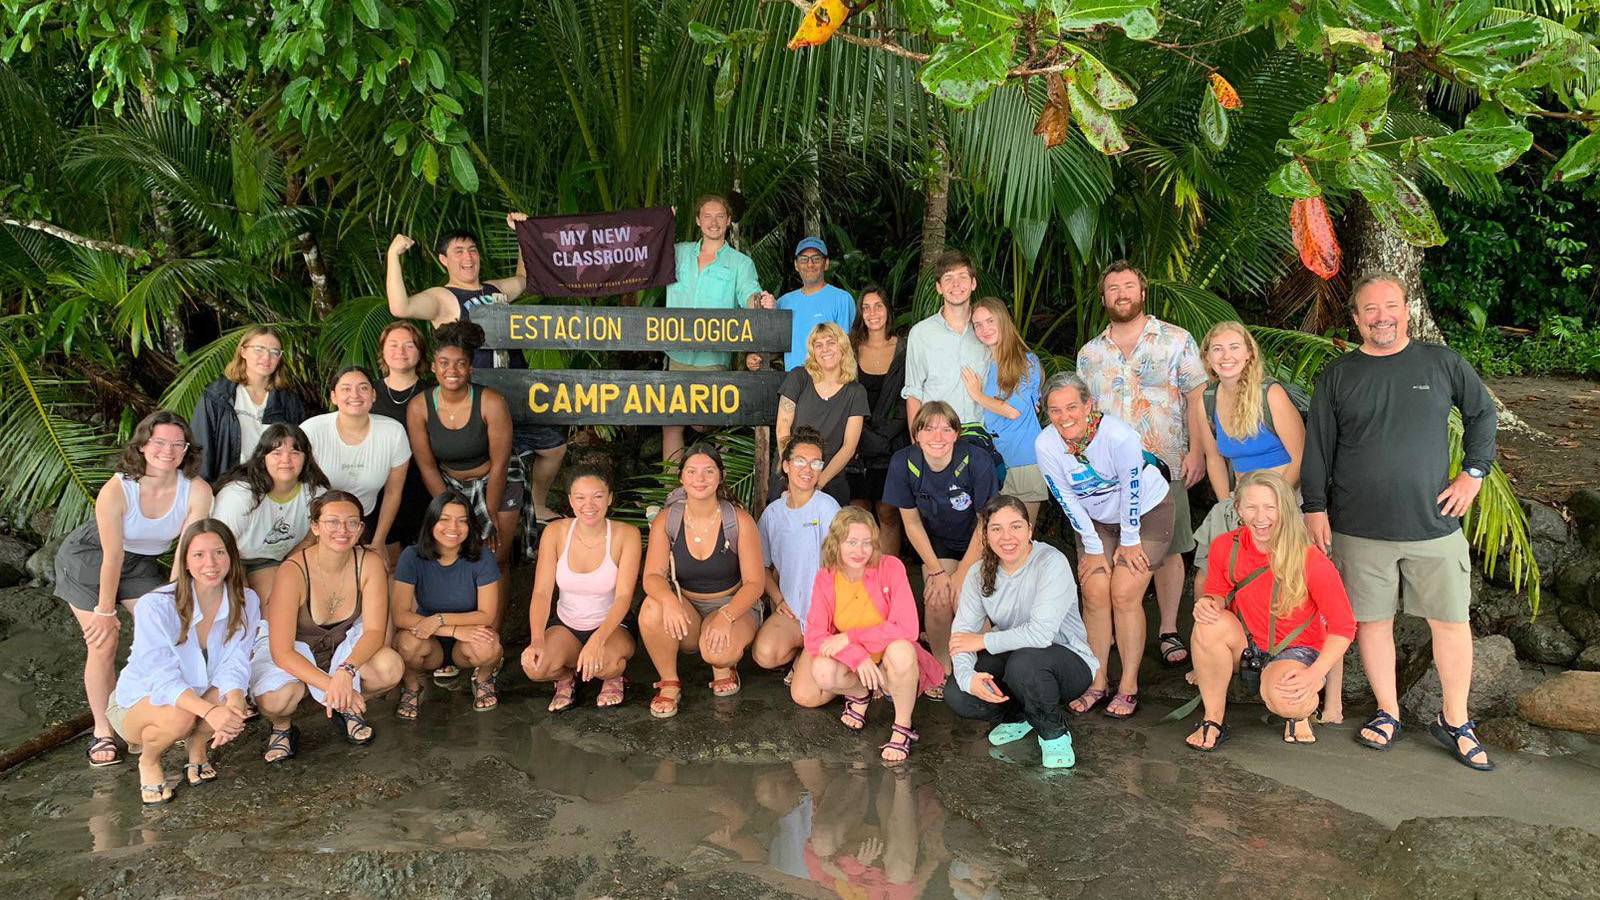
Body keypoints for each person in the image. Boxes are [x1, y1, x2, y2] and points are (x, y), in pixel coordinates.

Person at [1302, 273, 1499, 771]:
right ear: (1355, 318)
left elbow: (1482, 414)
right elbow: (1318, 446)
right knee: (1372, 622)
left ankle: (1455, 719)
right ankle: (1388, 711)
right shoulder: (1339, 374)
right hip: (1358, 527)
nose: (1381, 316)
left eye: (1390, 306)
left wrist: (1473, 473)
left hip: (1434, 524)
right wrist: (1314, 507)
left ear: (1406, 309)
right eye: (1370, 309)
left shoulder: (1441, 362)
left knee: (1451, 622)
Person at [54, 411, 214, 768]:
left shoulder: (197, 490)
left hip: (141, 565)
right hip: (89, 560)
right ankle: (102, 731)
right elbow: (112, 556)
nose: (168, 451)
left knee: (170, 630)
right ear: (143, 445)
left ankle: (156, 711)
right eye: (159, 442)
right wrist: (106, 612)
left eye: (177, 444)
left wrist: (177, 600)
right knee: (104, 641)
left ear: (186, 449)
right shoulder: (118, 488)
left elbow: (185, 552)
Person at [386, 217, 568, 524]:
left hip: (518, 388)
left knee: (554, 447)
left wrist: (522, 234)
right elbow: (400, 308)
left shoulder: (495, 288)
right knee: (498, 462)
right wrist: (393, 256)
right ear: (444, 259)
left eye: (472, 250)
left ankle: (536, 505)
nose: (468, 257)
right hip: (478, 399)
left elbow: (523, 279)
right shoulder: (442, 298)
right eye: (458, 251)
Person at [1075, 261, 1208, 669]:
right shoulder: (1091, 354)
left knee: (1169, 549)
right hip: (1108, 475)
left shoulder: (1175, 339)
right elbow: (1085, 415)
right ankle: (1110, 632)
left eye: (1128, 286)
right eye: (1113, 288)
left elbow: (1197, 398)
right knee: (1110, 549)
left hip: (1165, 466)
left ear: (1142, 292)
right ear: (1104, 299)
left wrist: (1197, 451)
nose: (1121, 293)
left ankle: (1168, 628)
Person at [1190, 321, 1321, 712]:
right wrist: (1226, 503)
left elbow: (1299, 454)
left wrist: (1270, 504)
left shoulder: (1271, 394)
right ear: (1207, 357)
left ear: (1249, 353)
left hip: (1282, 493)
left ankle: (1280, 652)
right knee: (1208, 565)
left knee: (1280, 571)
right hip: (1238, 498)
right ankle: (1209, 649)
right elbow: (1215, 457)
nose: (1226, 356)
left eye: (1234, 347)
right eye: (1218, 349)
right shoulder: (1206, 398)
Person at [1034, 372, 1174, 720]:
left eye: (1071, 407)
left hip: (1146, 510)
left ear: (1088, 405)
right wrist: (1094, 546)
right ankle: (1097, 681)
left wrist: (1128, 540)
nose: (1065, 417)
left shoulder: (1118, 435)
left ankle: (1128, 685)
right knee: (1095, 590)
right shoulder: (1046, 444)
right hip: (1094, 518)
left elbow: (1132, 487)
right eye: (1055, 410)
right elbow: (1064, 496)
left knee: (1124, 593)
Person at [1186, 471, 1356, 750]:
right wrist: (1208, 604)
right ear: (1238, 509)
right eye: (1251, 507)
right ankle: (1213, 718)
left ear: (1285, 510)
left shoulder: (1309, 558)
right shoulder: (1225, 546)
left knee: (1287, 700)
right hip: (1249, 643)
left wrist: (1315, 675)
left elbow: (1343, 627)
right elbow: (1216, 593)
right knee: (1207, 625)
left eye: (1270, 507)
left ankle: (1301, 711)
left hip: (1296, 647)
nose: (1260, 517)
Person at [108, 520, 258, 803]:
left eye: (219, 552)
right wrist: (211, 712)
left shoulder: (246, 599)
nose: (210, 563)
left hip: (199, 693)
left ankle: (197, 748)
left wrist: (236, 700)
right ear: (186, 562)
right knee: (182, 715)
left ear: (231, 557)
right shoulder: (156, 605)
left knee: (230, 703)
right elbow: (162, 681)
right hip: (140, 700)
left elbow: (237, 660)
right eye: (199, 555)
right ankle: (149, 761)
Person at [945, 496, 1098, 769]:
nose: (1007, 537)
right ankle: (1020, 717)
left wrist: (982, 640)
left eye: (1015, 527)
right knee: (958, 693)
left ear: (1029, 529)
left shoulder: (1051, 562)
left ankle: (1053, 733)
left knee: (1024, 663)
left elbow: (1040, 635)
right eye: (996, 529)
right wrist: (969, 679)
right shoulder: (979, 572)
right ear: (986, 535)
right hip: (1016, 658)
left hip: (1067, 664)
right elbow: (961, 637)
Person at [251, 491, 403, 759]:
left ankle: (346, 706)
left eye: (351, 522)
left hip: (342, 649)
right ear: (316, 527)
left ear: (360, 528)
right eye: (332, 522)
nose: (342, 530)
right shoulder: (292, 571)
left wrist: (346, 672)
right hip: (294, 653)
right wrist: (331, 684)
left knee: (390, 667)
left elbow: (375, 631)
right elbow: (282, 651)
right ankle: (282, 727)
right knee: (277, 699)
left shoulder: (369, 563)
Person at [797, 507, 943, 762]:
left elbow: (907, 628)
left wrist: (850, 637)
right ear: (837, 543)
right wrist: (857, 656)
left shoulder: (891, 567)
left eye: (866, 543)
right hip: (859, 660)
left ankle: (902, 727)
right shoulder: (826, 576)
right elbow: (814, 636)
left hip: (888, 655)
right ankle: (860, 692)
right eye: (851, 542)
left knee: (902, 649)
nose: (859, 551)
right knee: (821, 670)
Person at [638, 443, 765, 718]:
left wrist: (727, 615)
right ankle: (669, 681)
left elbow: (755, 583)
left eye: (709, 471)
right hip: (688, 608)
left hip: (733, 604)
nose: (700, 479)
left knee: (717, 652)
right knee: (652, 607)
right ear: (681, 477)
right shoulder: (667, 520)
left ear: (721, 476)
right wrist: (669, 600)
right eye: (692, 471)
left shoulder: (738, 520)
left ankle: (723, 666)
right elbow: (651, 576)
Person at [882, 401, 997, 683]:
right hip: (938, 543)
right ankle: (942, 669)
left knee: (967, 598)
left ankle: (985, 670)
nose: (938, 437)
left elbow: (986, 523)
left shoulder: (976, 460)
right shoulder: (904, 462)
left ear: (956, 434)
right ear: (916, 435)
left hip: (978, 539)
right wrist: (936, 571)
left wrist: (961, 574)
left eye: (947, 429)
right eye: (929, 429)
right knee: (936, 597)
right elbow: (911, 522)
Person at [405, 321, 519, 603]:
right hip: (449, 484)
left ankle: (494, 633)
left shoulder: (491, 402)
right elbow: (428, 467)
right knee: (456, 549)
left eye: (460, 364)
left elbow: (501, 463)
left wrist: (489, 513)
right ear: (433, 366)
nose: (452, 371)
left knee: (495, 556)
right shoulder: (419, 406)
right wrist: (453, 511)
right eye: (444, 363)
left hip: (496, 479)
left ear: (470, 368)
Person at [662, 194, 774, 461]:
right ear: (698, 221)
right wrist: (663, 223)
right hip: (676, 354)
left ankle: (718, 488)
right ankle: (670, 493)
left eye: (720, 216)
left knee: (708, 423)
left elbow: (750, 295)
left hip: (713, 358)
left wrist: (762, 301)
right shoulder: (677, 253)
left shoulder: (740, 263)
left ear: (728, 221)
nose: (714, 222)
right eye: (708, 216)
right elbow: (643, 253)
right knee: (670, 422)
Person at [522, 465, 642, 711]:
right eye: (580, 497)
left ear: (609, 498)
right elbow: (542, 593)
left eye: (598, 496)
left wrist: (598, 640)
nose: (589, 505)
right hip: (566, 622)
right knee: (535, 666)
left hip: (611, 625)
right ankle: (566, 678)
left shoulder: (626, 534)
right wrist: (536, 640)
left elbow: (623, 597)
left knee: (606, 663)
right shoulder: (555, 532)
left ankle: (612, 676)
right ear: (570, 500)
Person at [390, 492, 504, 718]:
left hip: (466, 639)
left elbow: (487, 615)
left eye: (462, 520)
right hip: (429, 640)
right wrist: (451, 629)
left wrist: (440, 619)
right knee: (406, 643)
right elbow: (401, 616)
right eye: (444, 519)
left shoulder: (482, 557)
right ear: (431, 521)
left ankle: (483, 679)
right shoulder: (411, 556)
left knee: (488, 645)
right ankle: (412, 686)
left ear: (470, 525)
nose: (453, 527)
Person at [752, 428, 842, 678]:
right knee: (765, 654)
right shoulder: (772, 513)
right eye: (800, 461)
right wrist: (779, 598)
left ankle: (810, 656)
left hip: (828, 613)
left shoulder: (827, 507)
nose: (808, 469)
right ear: (786, 466)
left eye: (816, 463)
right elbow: (761, 566)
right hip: (793, 608)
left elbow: (846, 565)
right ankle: (802, 651)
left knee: (806, 690)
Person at [210, 423, 329, 603]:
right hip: (229, 557)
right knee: (239, 606)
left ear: (306, 458)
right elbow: (218, 546)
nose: (286, 460)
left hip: (270, 561)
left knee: (278, 603)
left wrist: (288, 568)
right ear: (262, 458)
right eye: (277, 453)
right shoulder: (239, 495)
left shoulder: (315, 494)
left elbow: (310, 539)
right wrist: (240, 587)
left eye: (295, 453)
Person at [300, 367, 411, 550]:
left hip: (363, 522)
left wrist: (378, 542)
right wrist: (309, 539)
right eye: (345, 388)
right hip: (312, 524)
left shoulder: (393, 432)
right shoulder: (311, 431)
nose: (355, 395)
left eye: (363, 388)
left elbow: (393, 493)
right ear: (334, 397)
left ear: (374, 395)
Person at [962, 297, 1045, 522]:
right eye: (977, 324)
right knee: (994, 532)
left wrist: (977, 395)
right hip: (995, 460)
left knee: (1020, 531)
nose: (984, 329)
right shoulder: (986, 362)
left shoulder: (1024, 361)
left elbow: (1012, 411)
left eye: (990, 321)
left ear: (1003, 320)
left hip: (1023, 460)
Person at [191, 326, 307, 482]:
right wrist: (206, 490)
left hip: (275, 486)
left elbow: (299, 450)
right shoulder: (216, 397)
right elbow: (200, 449)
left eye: (274, 352)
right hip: (230, 484)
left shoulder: (289, 402)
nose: (267, 357)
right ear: (243, 351)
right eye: (259, 349)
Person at [774, 323, 868, 505]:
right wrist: (794, 477)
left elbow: (849, 446)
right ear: (813, 352)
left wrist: (818, 482)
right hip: (790, 474)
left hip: (830, 476)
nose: (825, 349)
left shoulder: (856, 392)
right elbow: (782, 429)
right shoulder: (798, 377)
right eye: (818, 345)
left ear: (842, 347)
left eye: (831, 343)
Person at [848, 285, 908, 555]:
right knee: (858, 510)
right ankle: (863, 579)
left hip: (892, 440)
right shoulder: (849, 347)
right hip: (856, 441)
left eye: (878, 306)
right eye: (866, 307)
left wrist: (887, 432)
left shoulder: (904, 348)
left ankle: (888, 581)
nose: (873, 313)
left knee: (888, 511)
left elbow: (910, 395)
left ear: (888, 310)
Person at [901, 250, 989, 429]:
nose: (956, 284)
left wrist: (1032, 394)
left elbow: (1015, 362)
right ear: (939, 287)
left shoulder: (987, 329)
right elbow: (913, 393)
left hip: (985, 436)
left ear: (973, 283)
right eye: (948, 278)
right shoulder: (921, 334)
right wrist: (917, 444)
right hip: (938, 438)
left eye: (962, 276)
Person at [371, 321, 432, 556]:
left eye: (409, 345)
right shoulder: (367, 393)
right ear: (383, 351)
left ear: (420, 352)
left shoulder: (433, 393)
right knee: (385, 560)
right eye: (393, 345)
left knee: (420, 562)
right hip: (380, 491)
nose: (400, 351)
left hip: (423, 488)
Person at [773, 237, 856, 371]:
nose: (810, 264)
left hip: (829, 383)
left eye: (816, 259)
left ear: (826, 263)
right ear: (796, 265)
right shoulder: (783, 302)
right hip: (794, 384)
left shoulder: (842, 299)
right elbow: (774, 345)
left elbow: (845, 348)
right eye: (804, 259)